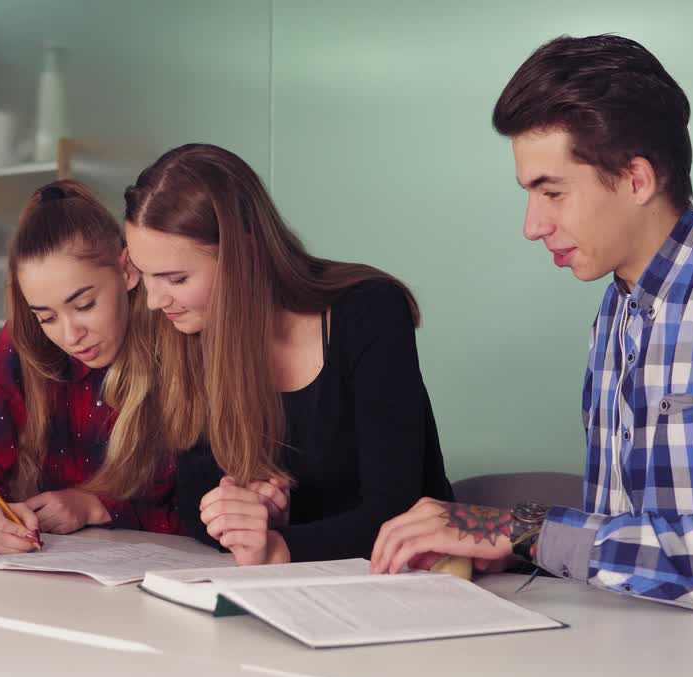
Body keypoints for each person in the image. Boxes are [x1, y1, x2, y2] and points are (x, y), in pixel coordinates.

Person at [371, 34, 693, 612]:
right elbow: (624, 543)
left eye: (551, 192)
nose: (532, 225)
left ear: (635, 179)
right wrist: (518, 550)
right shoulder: (616, 309)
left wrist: (516, 528)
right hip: (644, 650)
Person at [122, 143, 453, 566]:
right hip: (290, 591)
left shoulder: (369, 312)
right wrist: (240, 512)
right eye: (146, 276)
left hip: (412, 584)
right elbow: (193, 500)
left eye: (176, 278)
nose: (154, 301)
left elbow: (395, 510)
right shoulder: (189, 330)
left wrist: (278, 545)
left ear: (247, 254)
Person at [0, 180, 177, 553]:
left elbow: (201, 505)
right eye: (47, 317)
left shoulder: (177, 333)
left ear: (127, 271)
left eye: (84, 305)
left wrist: (97, 507)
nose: (71, 335)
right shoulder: (27, 342)